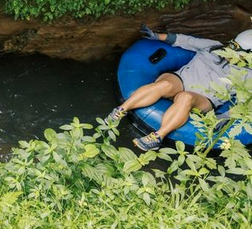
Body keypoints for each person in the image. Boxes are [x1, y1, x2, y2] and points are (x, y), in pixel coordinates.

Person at [106, 25, 252, 151]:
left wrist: (223, 118)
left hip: (204, 98)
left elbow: (243, 104)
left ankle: (157, 137)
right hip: (182, 80)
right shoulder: (214, 46)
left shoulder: (248, 76)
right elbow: (186, 41)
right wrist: (157, 36)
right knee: (164, 85)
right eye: (232, 47)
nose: (229, 53)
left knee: (186, 97)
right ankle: (120, 111)